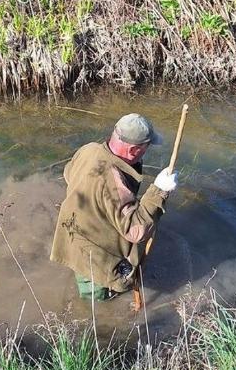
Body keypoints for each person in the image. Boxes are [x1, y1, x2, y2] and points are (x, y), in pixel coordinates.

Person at [50, 113, 178, 301]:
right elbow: (136, 230)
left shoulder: (89, 150)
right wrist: (159, 191)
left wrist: (98, 205)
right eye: (146, 147)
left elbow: (69, 173)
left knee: (84, 275)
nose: (147, 151)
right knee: (97, 300)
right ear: (134, 150)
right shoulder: (114, 182)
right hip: (92, 254)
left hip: (72, 234)